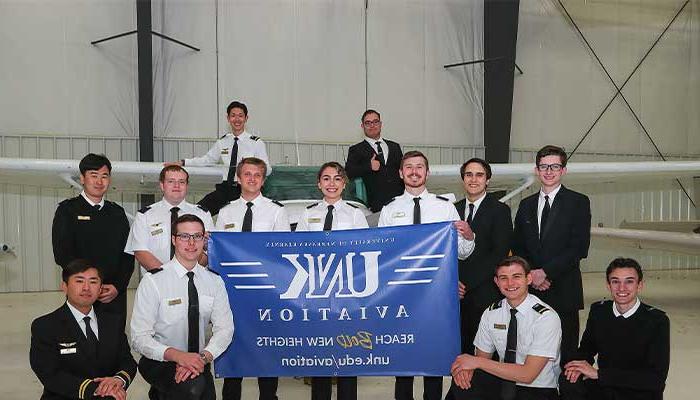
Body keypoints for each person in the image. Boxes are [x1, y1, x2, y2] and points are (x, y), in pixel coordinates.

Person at [378, 150, 475, 400]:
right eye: (408, 167)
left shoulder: (444, 207)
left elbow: (461, 253)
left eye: (419, 167)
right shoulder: (389, 210)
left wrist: (468, 235)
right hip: (401, 293)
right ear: (401, 173)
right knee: (404, 355)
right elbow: (382, 254)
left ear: (427, 172)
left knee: (432, 356)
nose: (414, 172)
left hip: (436, 294)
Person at [130, 214, 234, 400]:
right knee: (191, 390)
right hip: (161, 359)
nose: (191, 242)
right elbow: (139, 338)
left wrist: (203, 358)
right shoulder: (153, 281)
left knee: (202, 392)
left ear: (204, 240)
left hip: (199, 360)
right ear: (173, 240)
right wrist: (178, 356)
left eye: (197, 236)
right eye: (184, 236)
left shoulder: (214, 281)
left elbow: (225, 329)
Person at [215, 156, 289, 400]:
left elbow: (283, 253)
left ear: (263, 180)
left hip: (266, 292)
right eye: (247, 174)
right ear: (238, 178)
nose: (252, 179)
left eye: (257, 175)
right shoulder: (226, 212)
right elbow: (219, 253)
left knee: (267, 348)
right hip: (232, 293)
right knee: (232, 345)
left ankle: (269, 396)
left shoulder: (277, 211)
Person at [512, 145, 591, 367]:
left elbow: (579, 248)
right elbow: (517, 246)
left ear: (563, 170)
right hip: (532, 292)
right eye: (544, 167)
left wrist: (544, 273)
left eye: (555, 166)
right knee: (531, 353)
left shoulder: (578, 202)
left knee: (565, 355)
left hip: (564, 290)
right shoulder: (526, 205)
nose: (549, 171)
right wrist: (530, 276)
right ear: (537, 170)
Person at [296, 161, 369, 400]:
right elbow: (298, 252)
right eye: (326, 178)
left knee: (348, 351)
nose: (331, 183)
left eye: (337, 178)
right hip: (317, 294)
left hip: (347, 294)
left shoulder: (356, 214)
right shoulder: (308, 214)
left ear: (344, 184)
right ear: (319, 184)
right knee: (320, 351)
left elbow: (364, 253)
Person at [445, 158, 513, 400]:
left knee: (486, 351)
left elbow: (498, 253)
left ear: (487, 179)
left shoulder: (500, 210)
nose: (474, 179)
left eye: (479, 175)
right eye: (469, 174)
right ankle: (462, 392)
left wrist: (467, 283)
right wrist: (451, 283)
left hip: (484, 292)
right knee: (461, 349)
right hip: (455, 293)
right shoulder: (452, 208)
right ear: (463, 179)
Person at [451, 256, 561, 400]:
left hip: (537, 388)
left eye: (516, 276)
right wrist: (467, 370)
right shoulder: (492, 313)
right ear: (496, 282)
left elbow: (527, 375)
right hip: (503, 381)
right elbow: (481, 359)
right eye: (503, 278)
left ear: (528, 279)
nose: (510, 283)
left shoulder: (545, 317)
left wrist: (475, 362)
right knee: (462, 383)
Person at [560, 258, 670, 400]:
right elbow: (587, 349)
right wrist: (576, 367)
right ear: (608, 285)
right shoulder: (600, 311)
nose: (621, 288)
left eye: (629, 281)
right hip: (606, 387)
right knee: (568, 381)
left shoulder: (656, 321)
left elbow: (655, 379)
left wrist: (599, 374)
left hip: (638, 391)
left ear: (640, 285)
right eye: (615, 281)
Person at [30, 259, 137, 400]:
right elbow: (49, 373)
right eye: (79, 281)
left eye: (93, 282)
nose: (86, 288)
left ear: (100, 289)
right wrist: (96, 389)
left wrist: (118, 381)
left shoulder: (113, 322)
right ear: (64, 286)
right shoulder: (45, 326)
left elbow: (127, 362)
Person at [52, 153, 134, 330]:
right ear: (82, 178)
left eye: (104, 176)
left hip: (112, 294)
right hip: (83, 292)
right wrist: (89, 284)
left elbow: (128, 254)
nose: (99, 182)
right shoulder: (67, 211)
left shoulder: (117, 213)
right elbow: (62, 254)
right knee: (82, 342)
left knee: (114, 342)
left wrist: (118, 287)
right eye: (93, 175)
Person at [169, 100, 271, 216]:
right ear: (228, 119)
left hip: (246, 189)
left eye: (240, 116)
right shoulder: (222, 142)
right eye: (233, 116)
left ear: (246, 118)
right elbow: (207, 159)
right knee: (198, 213)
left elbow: (267, 169)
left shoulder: (256, 143)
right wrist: (183, 162)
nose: (237, 119)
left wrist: (251, 171)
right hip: (225, 188)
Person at [125, 165, 214, 274]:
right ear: (162, 185)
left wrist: (186, 272)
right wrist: (166, 276)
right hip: (156, 283)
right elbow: (141, 252)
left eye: (181, 182)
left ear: (187, 186)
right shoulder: (145, 215)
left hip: (193, 279)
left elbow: (208, 251)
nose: (177, 186)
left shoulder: (203, 214)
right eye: (171, 181)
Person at [345, 109, 404, 212]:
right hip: (375, 206)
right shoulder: (356, 149)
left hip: (400, 202)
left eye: (375, 122)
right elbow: (348, 172)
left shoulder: (395, 147)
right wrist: (368, 166)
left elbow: (403, 172)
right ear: (362, 126)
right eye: (368, 123)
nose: (372, 125)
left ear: (380, 124)